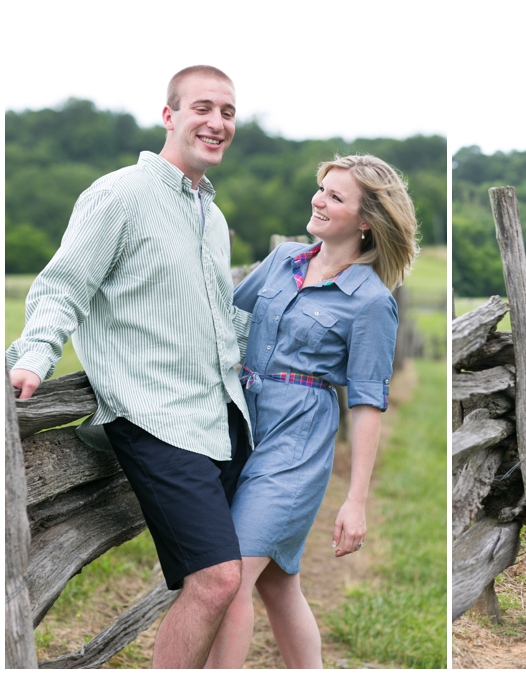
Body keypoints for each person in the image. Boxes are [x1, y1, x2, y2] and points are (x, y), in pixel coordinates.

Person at [7, 65, 253, 668]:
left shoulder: (210, 217)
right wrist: (33, 357)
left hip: (219, 417)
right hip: (154, 417)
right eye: (202, 108)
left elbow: (222, 321)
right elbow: (63, 287)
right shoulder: (119, 194)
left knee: (224, 584)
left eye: (227, 112)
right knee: (218, 580)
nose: (216, 123)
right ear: (169, 115)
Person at [205, 154, 419, 668]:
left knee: (229, 582)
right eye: (321, 189)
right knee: (278, 585)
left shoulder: (371, 300)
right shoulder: (285, 261)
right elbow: (229, 319)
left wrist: (356, 501)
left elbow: (368, 403)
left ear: (366, 220)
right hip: (242, 425)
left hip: (298, 440)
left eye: (335, 196)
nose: (318, 200)